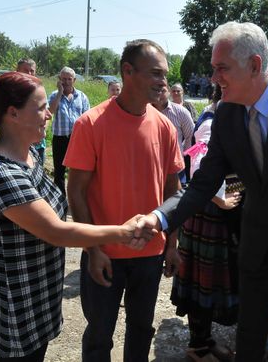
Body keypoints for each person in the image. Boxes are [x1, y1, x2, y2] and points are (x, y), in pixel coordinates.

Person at [139, 21, 268, 362]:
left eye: (222, 68)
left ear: (255, 66)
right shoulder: (228, 113)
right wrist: (160, 218)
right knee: (249, 332)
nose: (214, 78)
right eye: (214, 68)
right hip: (256, 245)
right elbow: (204, 183)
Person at [0, 71, 151, 362]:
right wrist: (123, 232)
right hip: (13, 305)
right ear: (13, 113)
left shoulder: (30, 157)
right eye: (41, 108)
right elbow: (57, 231)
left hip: (35, 294)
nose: (48, 115)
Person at [64, 39, 184, 361]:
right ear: (127, 72)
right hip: (104, 253)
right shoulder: (90, 124)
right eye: (156, 74)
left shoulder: (165, 128)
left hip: (150, 252)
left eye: (165, 75)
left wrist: (172, 244)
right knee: (100, 334)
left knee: (141, 330)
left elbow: (173, 192)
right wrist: (93, 249)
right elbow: (75, 191)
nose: (163, 82)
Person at [170, 84, 243, 361]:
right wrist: (221, 201)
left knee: (210, 283)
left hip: (218, 214)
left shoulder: (223, 119)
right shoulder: (212, 123)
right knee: (203, 282)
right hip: (208, 215)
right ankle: (198, 347)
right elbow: (200, 169)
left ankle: (205, 341)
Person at [48, 66, 90, 194]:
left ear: (74, 80)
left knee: (77, 171)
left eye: (69, 79)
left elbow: (87, 118)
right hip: (59, 138)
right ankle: (61, 202)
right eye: (63, 79)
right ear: (59, 79)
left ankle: (76, 199)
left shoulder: (82, 96)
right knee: (59, 172)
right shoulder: (54, 96)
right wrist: (60, 93)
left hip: (76, 139)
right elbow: (50, 112)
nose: (66, 82)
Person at [152, 86, 194, 186]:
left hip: (176, 169)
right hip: (151, 168)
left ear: (168, 92)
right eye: (156, 90)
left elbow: (190, 136)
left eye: (163, 91)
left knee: (175, 200)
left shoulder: (181, 112)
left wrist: (182, 154)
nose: (160, 94)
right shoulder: (144, 111)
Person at [16, 58, 46, 162]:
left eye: (32, 71)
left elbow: (46, 114)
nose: (29, 73)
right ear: (17, 71)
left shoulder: (39, 90)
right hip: (18, 144)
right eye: (25, 70)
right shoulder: (12, 90)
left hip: (38, 145)